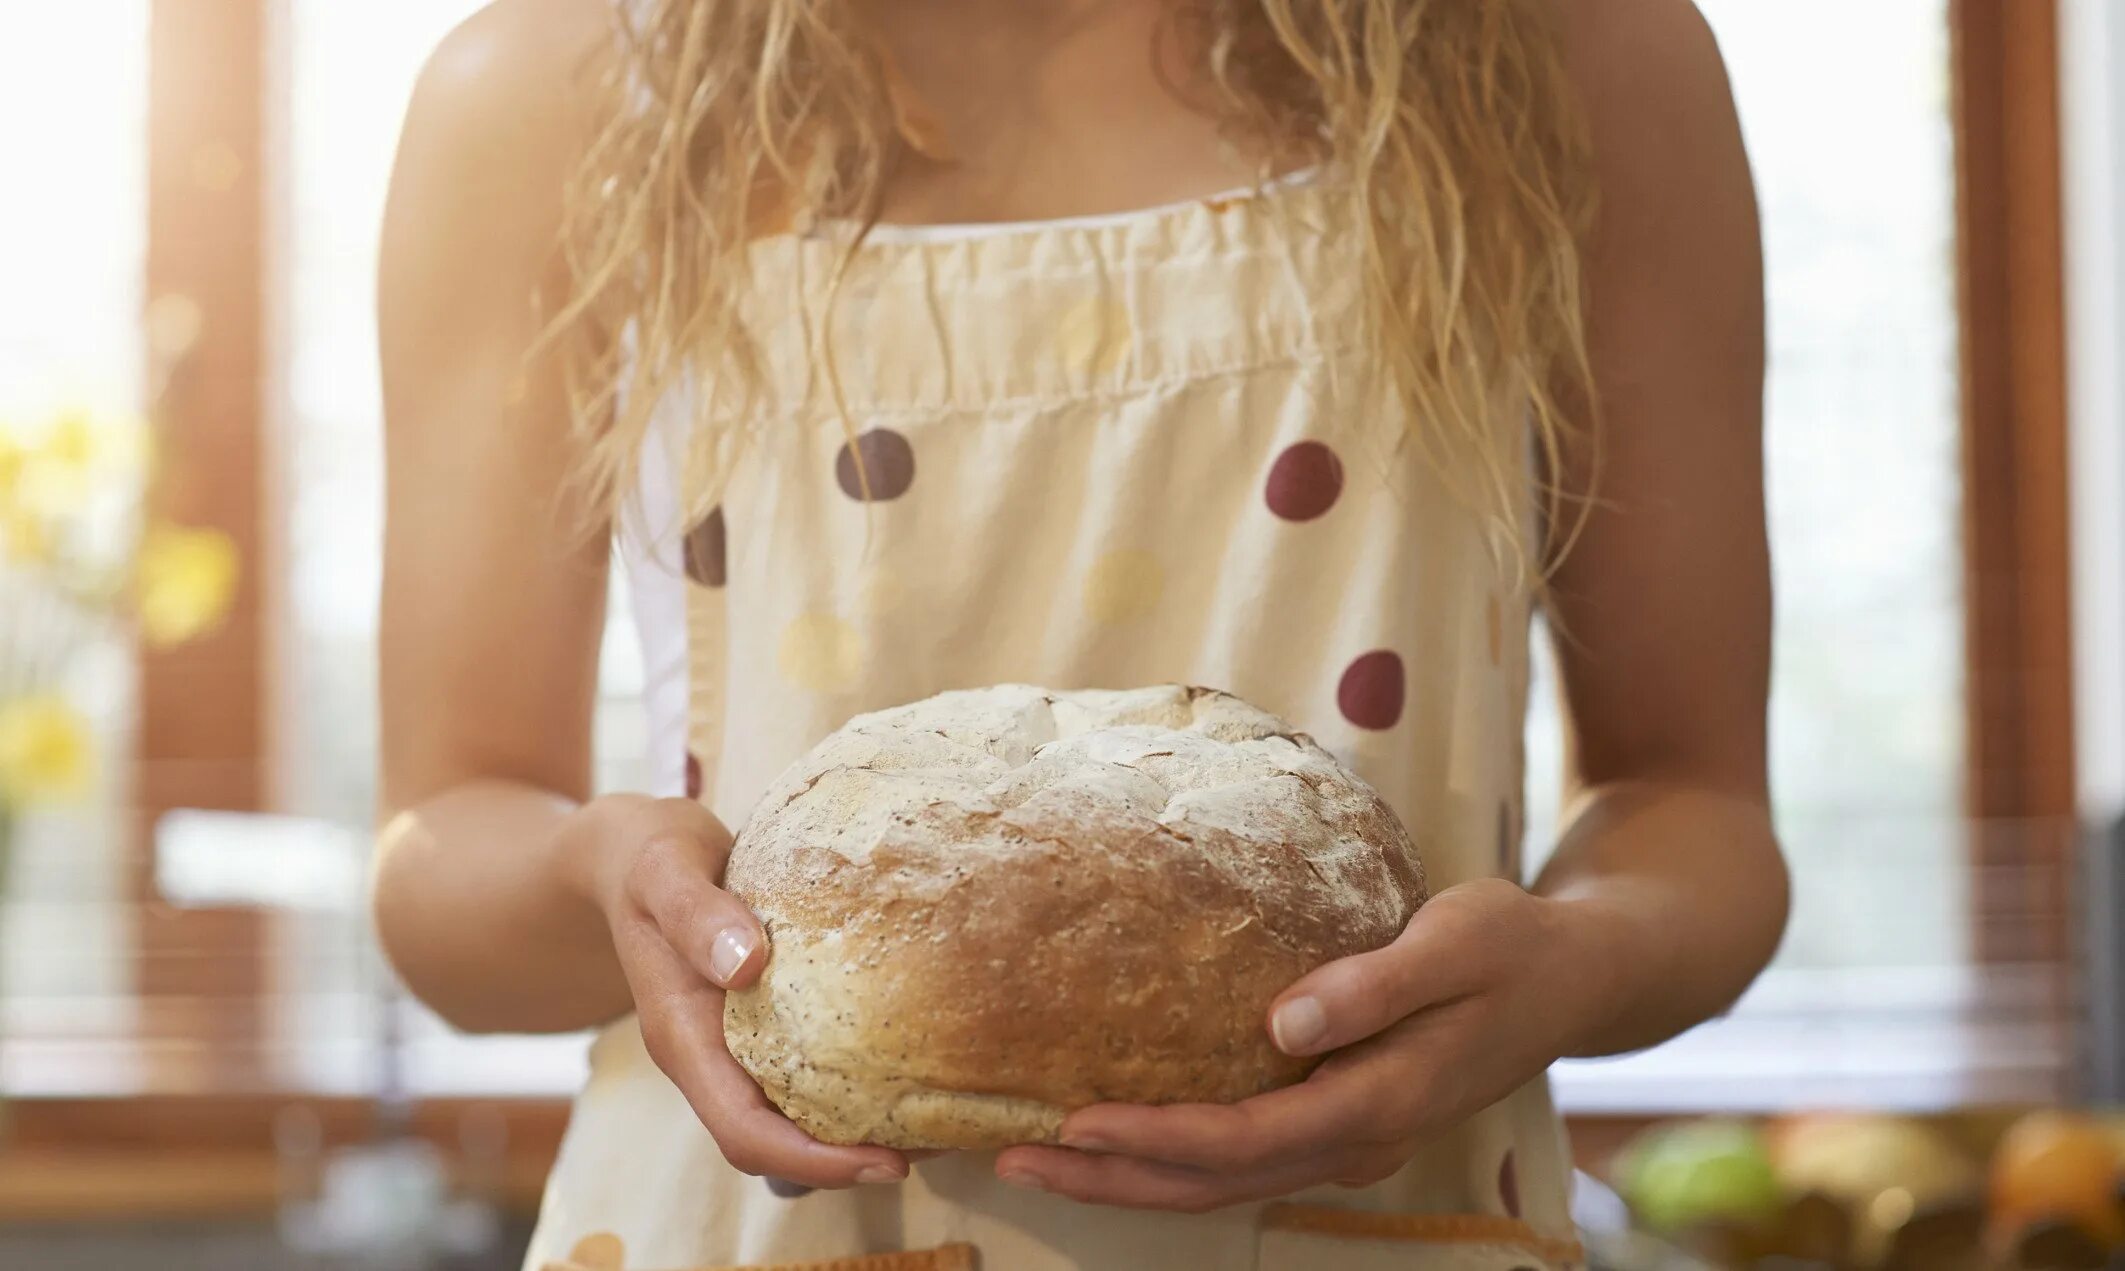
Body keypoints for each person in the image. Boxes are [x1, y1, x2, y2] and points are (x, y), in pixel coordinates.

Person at [371, 1, 1784, 1267]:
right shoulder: (557, 91)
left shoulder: (1566, 54)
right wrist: (607, 882)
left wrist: (1575, 962)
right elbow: (443, 854)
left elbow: (1695, 810)